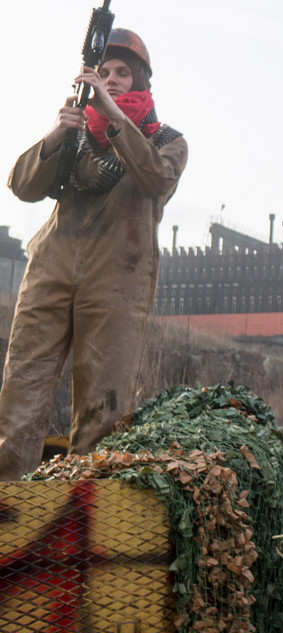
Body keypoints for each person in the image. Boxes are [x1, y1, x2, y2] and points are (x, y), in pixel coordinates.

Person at [0, 28, 187, 481]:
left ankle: (82, 528)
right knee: (19, 399)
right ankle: (7, 517)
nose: (112, 79)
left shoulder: (166, 140)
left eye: (123, 73)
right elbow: (22, 186)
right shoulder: (77, 135)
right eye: (103, 72)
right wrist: (55, 136)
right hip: (51, 267)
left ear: (142, 83)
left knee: (103, 411)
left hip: (118, 278)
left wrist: (114, 119)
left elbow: (155, 181)